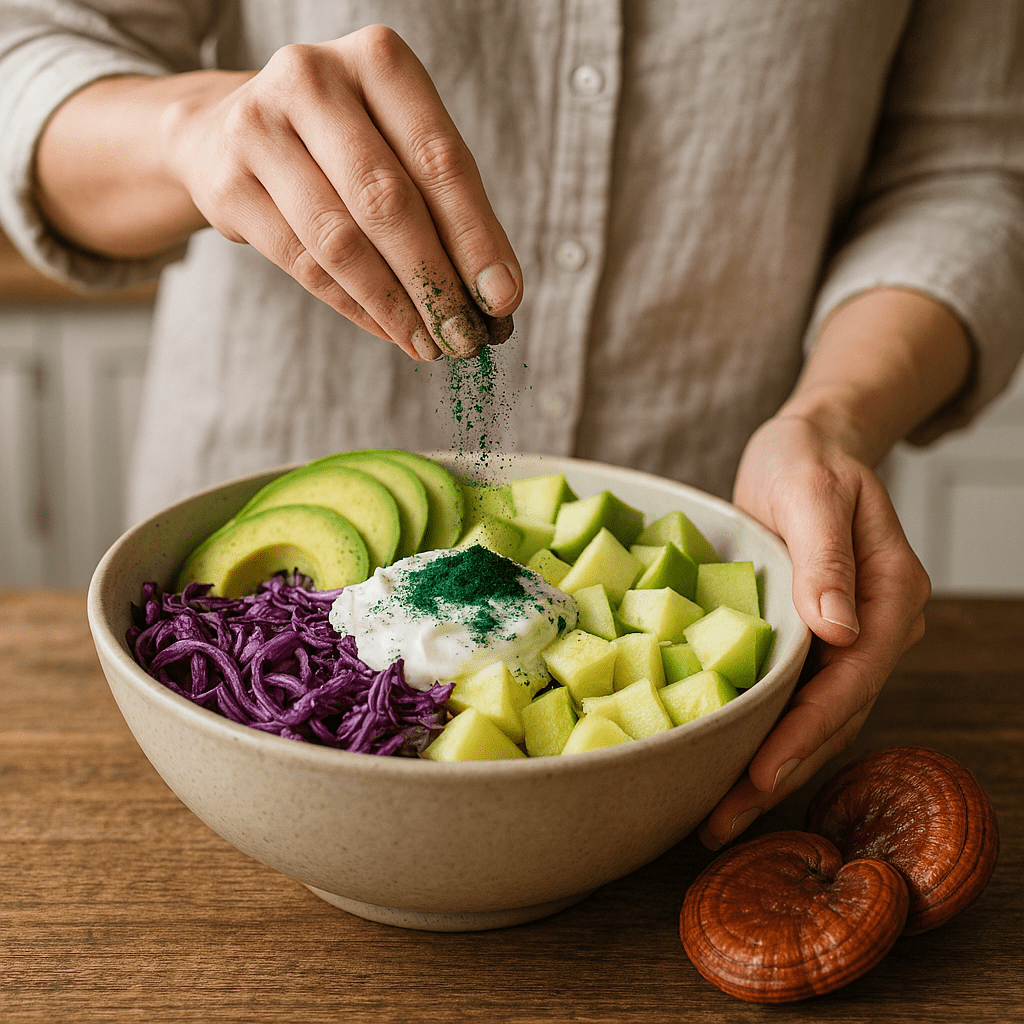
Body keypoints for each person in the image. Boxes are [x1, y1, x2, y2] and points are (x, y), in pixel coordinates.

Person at [2, 1, 1022, 850]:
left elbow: (968, 164)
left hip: (720, 528)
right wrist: (192, 127)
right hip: (242, 563)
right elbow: (27, 56)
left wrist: (831, 416)